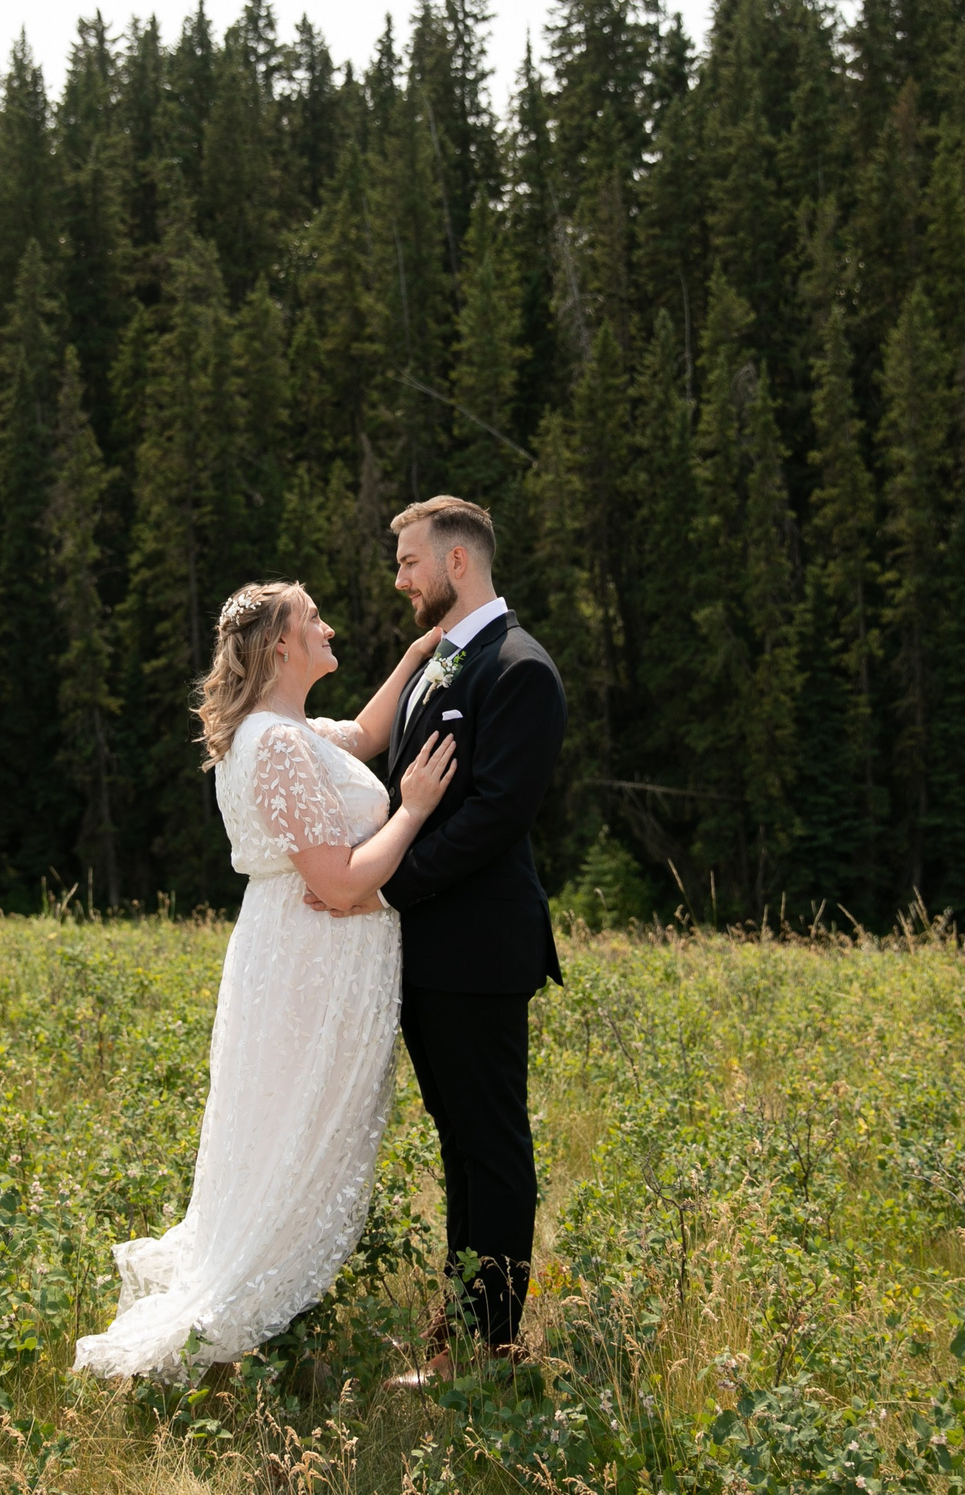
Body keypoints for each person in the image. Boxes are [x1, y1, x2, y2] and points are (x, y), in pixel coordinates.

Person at [71, 582, 457, 1380]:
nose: (329, 627)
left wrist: (421, 653)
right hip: (308, 963)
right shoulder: (276, 746)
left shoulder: (287, 731)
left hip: (303, 955)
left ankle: (269, 1337)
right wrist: (412, 809)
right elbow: (342, 880)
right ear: (281, 644)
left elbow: (366, 731)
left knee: (291, 1139)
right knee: (293, 1140)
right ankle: (238, 1339)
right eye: (313, 619)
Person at [351, 495, 568, 1374]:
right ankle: (461, 1337)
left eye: (408, 562)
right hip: (430, 953)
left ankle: (498, 1347)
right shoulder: (442, 660)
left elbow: (493, 817)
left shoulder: (519, 670)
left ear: (455, 564)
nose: (398, 578)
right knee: (458, 1144)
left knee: (493, 1147)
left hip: (479, 951)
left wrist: (388, 878)